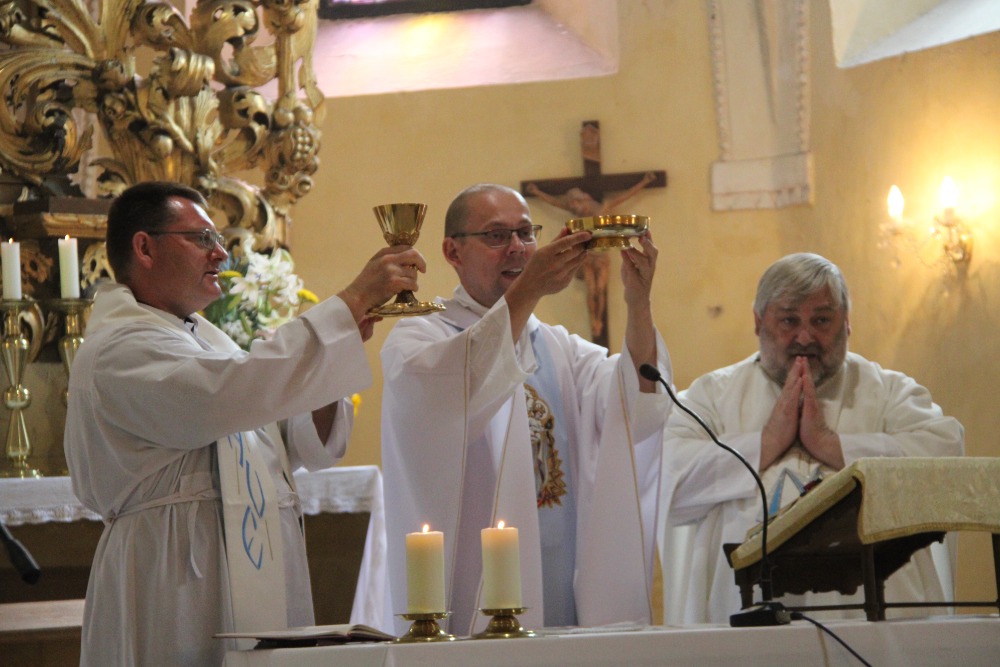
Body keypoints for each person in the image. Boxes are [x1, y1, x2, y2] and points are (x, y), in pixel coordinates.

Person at [64, 181, 425, 665]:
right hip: (173, 578)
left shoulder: (209, 342)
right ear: (144, 247)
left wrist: (330, 359)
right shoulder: (119, 348)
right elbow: (220, 397)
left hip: (239, 570)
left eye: (218, 239)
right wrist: (350, 300)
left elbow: (299, 446)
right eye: (202, 239)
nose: (220, 254)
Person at [380, 183, 674, 636]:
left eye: (525, 233)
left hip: (563, 587)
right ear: (453, 251)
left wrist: (639, 303)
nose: (517, 248)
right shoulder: (423, 337)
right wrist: (531, 287)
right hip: (469, 592)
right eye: (496, 236)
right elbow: (449, 400)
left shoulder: (558, 348)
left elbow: (637, 405)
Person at [659, 252, 964, 624]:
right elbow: (665, 476)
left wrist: (833, 446)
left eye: (821, 320)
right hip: (743, 620)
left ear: (847, 322)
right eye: (789, 320)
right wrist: (766, 443)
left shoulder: (887, 392)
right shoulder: (712, 396)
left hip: (875, 623)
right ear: (758, 322)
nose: (805, 337)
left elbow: (945, 458)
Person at [525, 172, 657, 344]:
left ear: (583, 200)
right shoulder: (579, 215)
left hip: (601, 257)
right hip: (587, 256)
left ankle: (598, 320)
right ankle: (594, 319)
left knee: (600, 289)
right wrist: (536, 192)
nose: (575, 209)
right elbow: (555, 203)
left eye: (576, 204)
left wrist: (644, 182)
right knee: (591, 289)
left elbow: (625, 196)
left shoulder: (602, 209)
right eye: (572, 206)